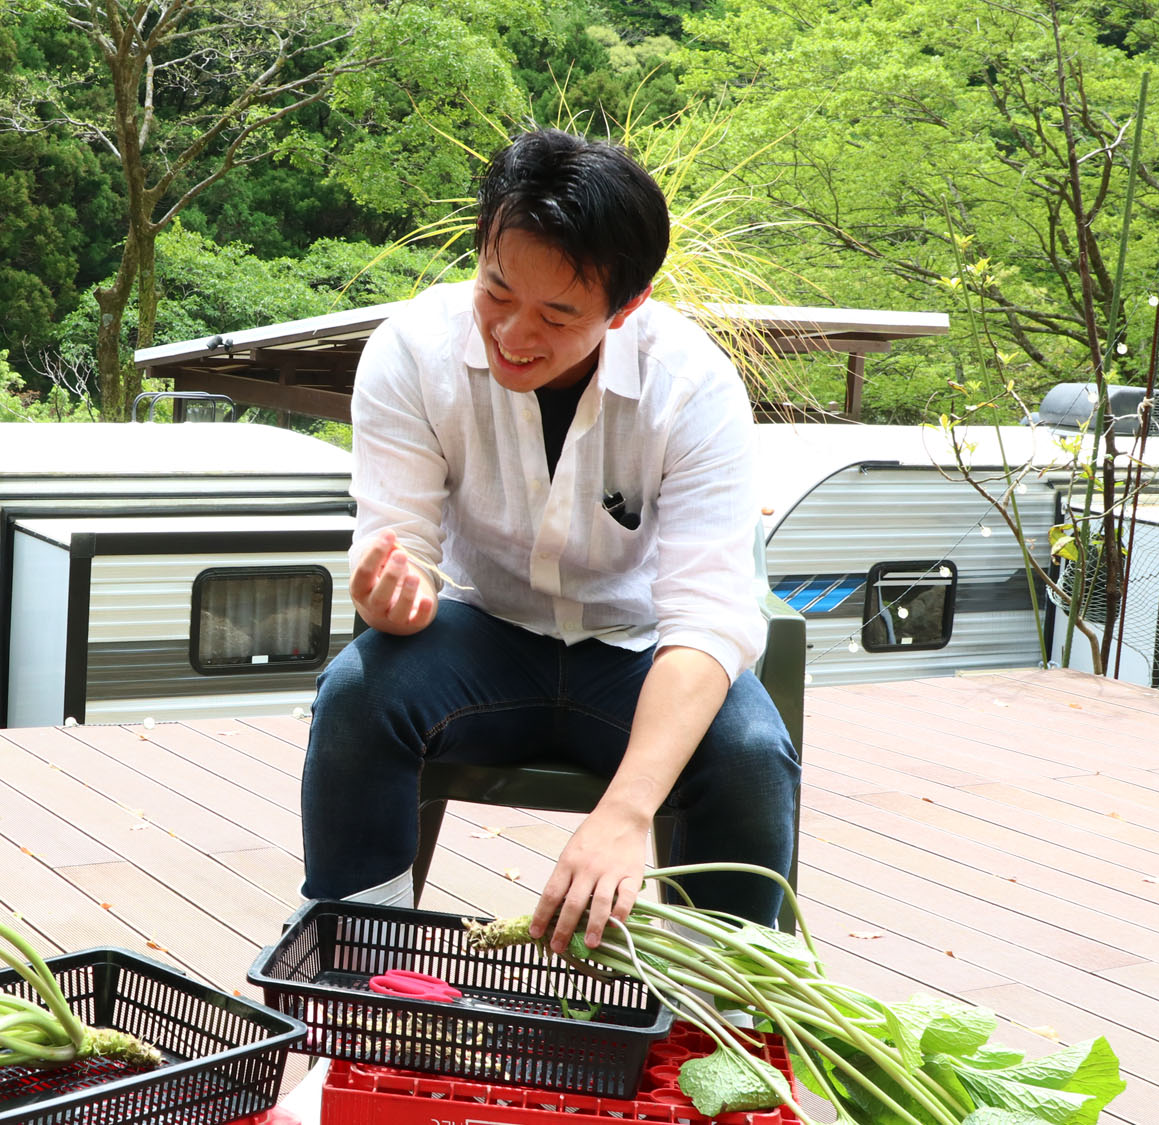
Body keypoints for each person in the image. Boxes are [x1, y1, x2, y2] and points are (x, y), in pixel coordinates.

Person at [300, 129, 800, 949]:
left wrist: (626, 813)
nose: (514, 334)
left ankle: (719, 1024)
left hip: (637, 652)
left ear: (626, 307)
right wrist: (391, 591)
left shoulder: (693, 385)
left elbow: (710, 616)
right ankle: (363, 972)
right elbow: (402, 545)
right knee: (357, 698)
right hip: (478, 635)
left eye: (559, 314)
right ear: (480, 251)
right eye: (497, 292)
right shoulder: (410, 352)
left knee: (749, 753)